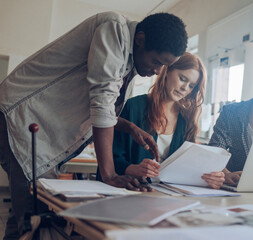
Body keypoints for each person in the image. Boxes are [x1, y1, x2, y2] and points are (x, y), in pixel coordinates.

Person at [0, 11, 187, 238]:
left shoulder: (130, 61)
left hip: (36, 128)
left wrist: (130, 127)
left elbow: (103, 109)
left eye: (164, 66)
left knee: (27, 216)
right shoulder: (114, 29)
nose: (158, 71)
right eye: (157, 62)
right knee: (35, 217)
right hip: (19, 118)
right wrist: (109, 174)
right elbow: (101, 101)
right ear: (140, 41)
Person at [105, 53, 225, 189]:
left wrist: (209, 178)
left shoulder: (186, 120)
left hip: (167, 194)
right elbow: (110, 158)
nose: (185, 88)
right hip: (133, 191)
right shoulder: (133, 107)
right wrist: (133, 168)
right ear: (167, 71)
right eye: (182, 79)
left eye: (191, 86)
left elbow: (187, 168)